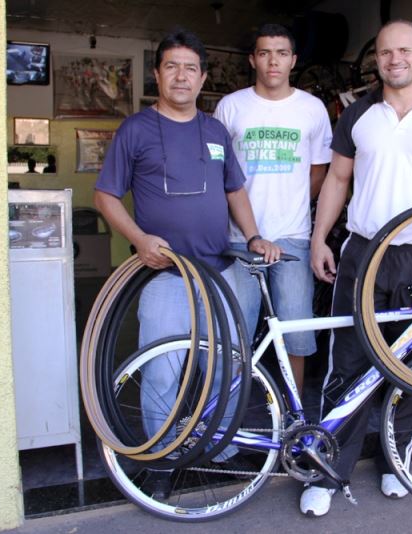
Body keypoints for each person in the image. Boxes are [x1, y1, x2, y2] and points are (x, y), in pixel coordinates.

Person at [303, 20, 412, 517]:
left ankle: (394, 463)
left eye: (404, 50)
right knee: (348, 362)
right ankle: (328, 469)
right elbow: (338, 179)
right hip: (362, 252)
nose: (394, 59)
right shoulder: (357, 114)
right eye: (385, 52)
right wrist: (321, 239)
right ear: (376, 59)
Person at [94, 28, 280, 473]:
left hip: (219, 273)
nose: (181, 76)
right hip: (164, 275)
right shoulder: (136, 129)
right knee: (163, 370)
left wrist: (253, 236)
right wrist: (139, 239)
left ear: (202, 78)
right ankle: (160, 454)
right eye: (172, 67)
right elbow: (105, 196)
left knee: (227, 366)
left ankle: (222, 444)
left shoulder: (215, 130)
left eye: (190, 69)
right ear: (157, 74)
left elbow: (234, 190)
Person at [213, 23, 332, 395]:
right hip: (239, 240)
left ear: (293, 60)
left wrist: (289, 204)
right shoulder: (231, 106)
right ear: (253, 59)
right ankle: (229, 418)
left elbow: (319, 173)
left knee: (297, 333)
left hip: (293, 237)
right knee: (235, 335)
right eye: (264, 53)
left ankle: (294, 413)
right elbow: (218, 174)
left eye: (281, 53)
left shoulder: (312, 109)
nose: (273, 61)